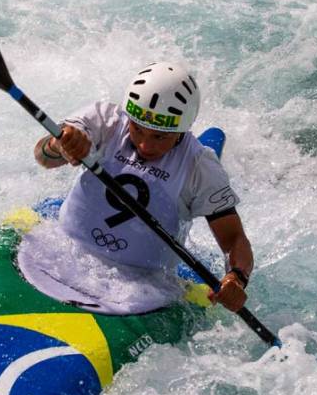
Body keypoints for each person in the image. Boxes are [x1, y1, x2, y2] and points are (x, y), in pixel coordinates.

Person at [32, 62, 252, 313]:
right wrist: (59, 145)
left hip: (142, 285)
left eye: (160, 136)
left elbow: (234, 238)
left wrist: (236, 277)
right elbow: (42, 157)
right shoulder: (105, 121)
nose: (146, 146)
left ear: (182, 130)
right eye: (137, 130)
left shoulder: (200, 168)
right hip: (65, 248)